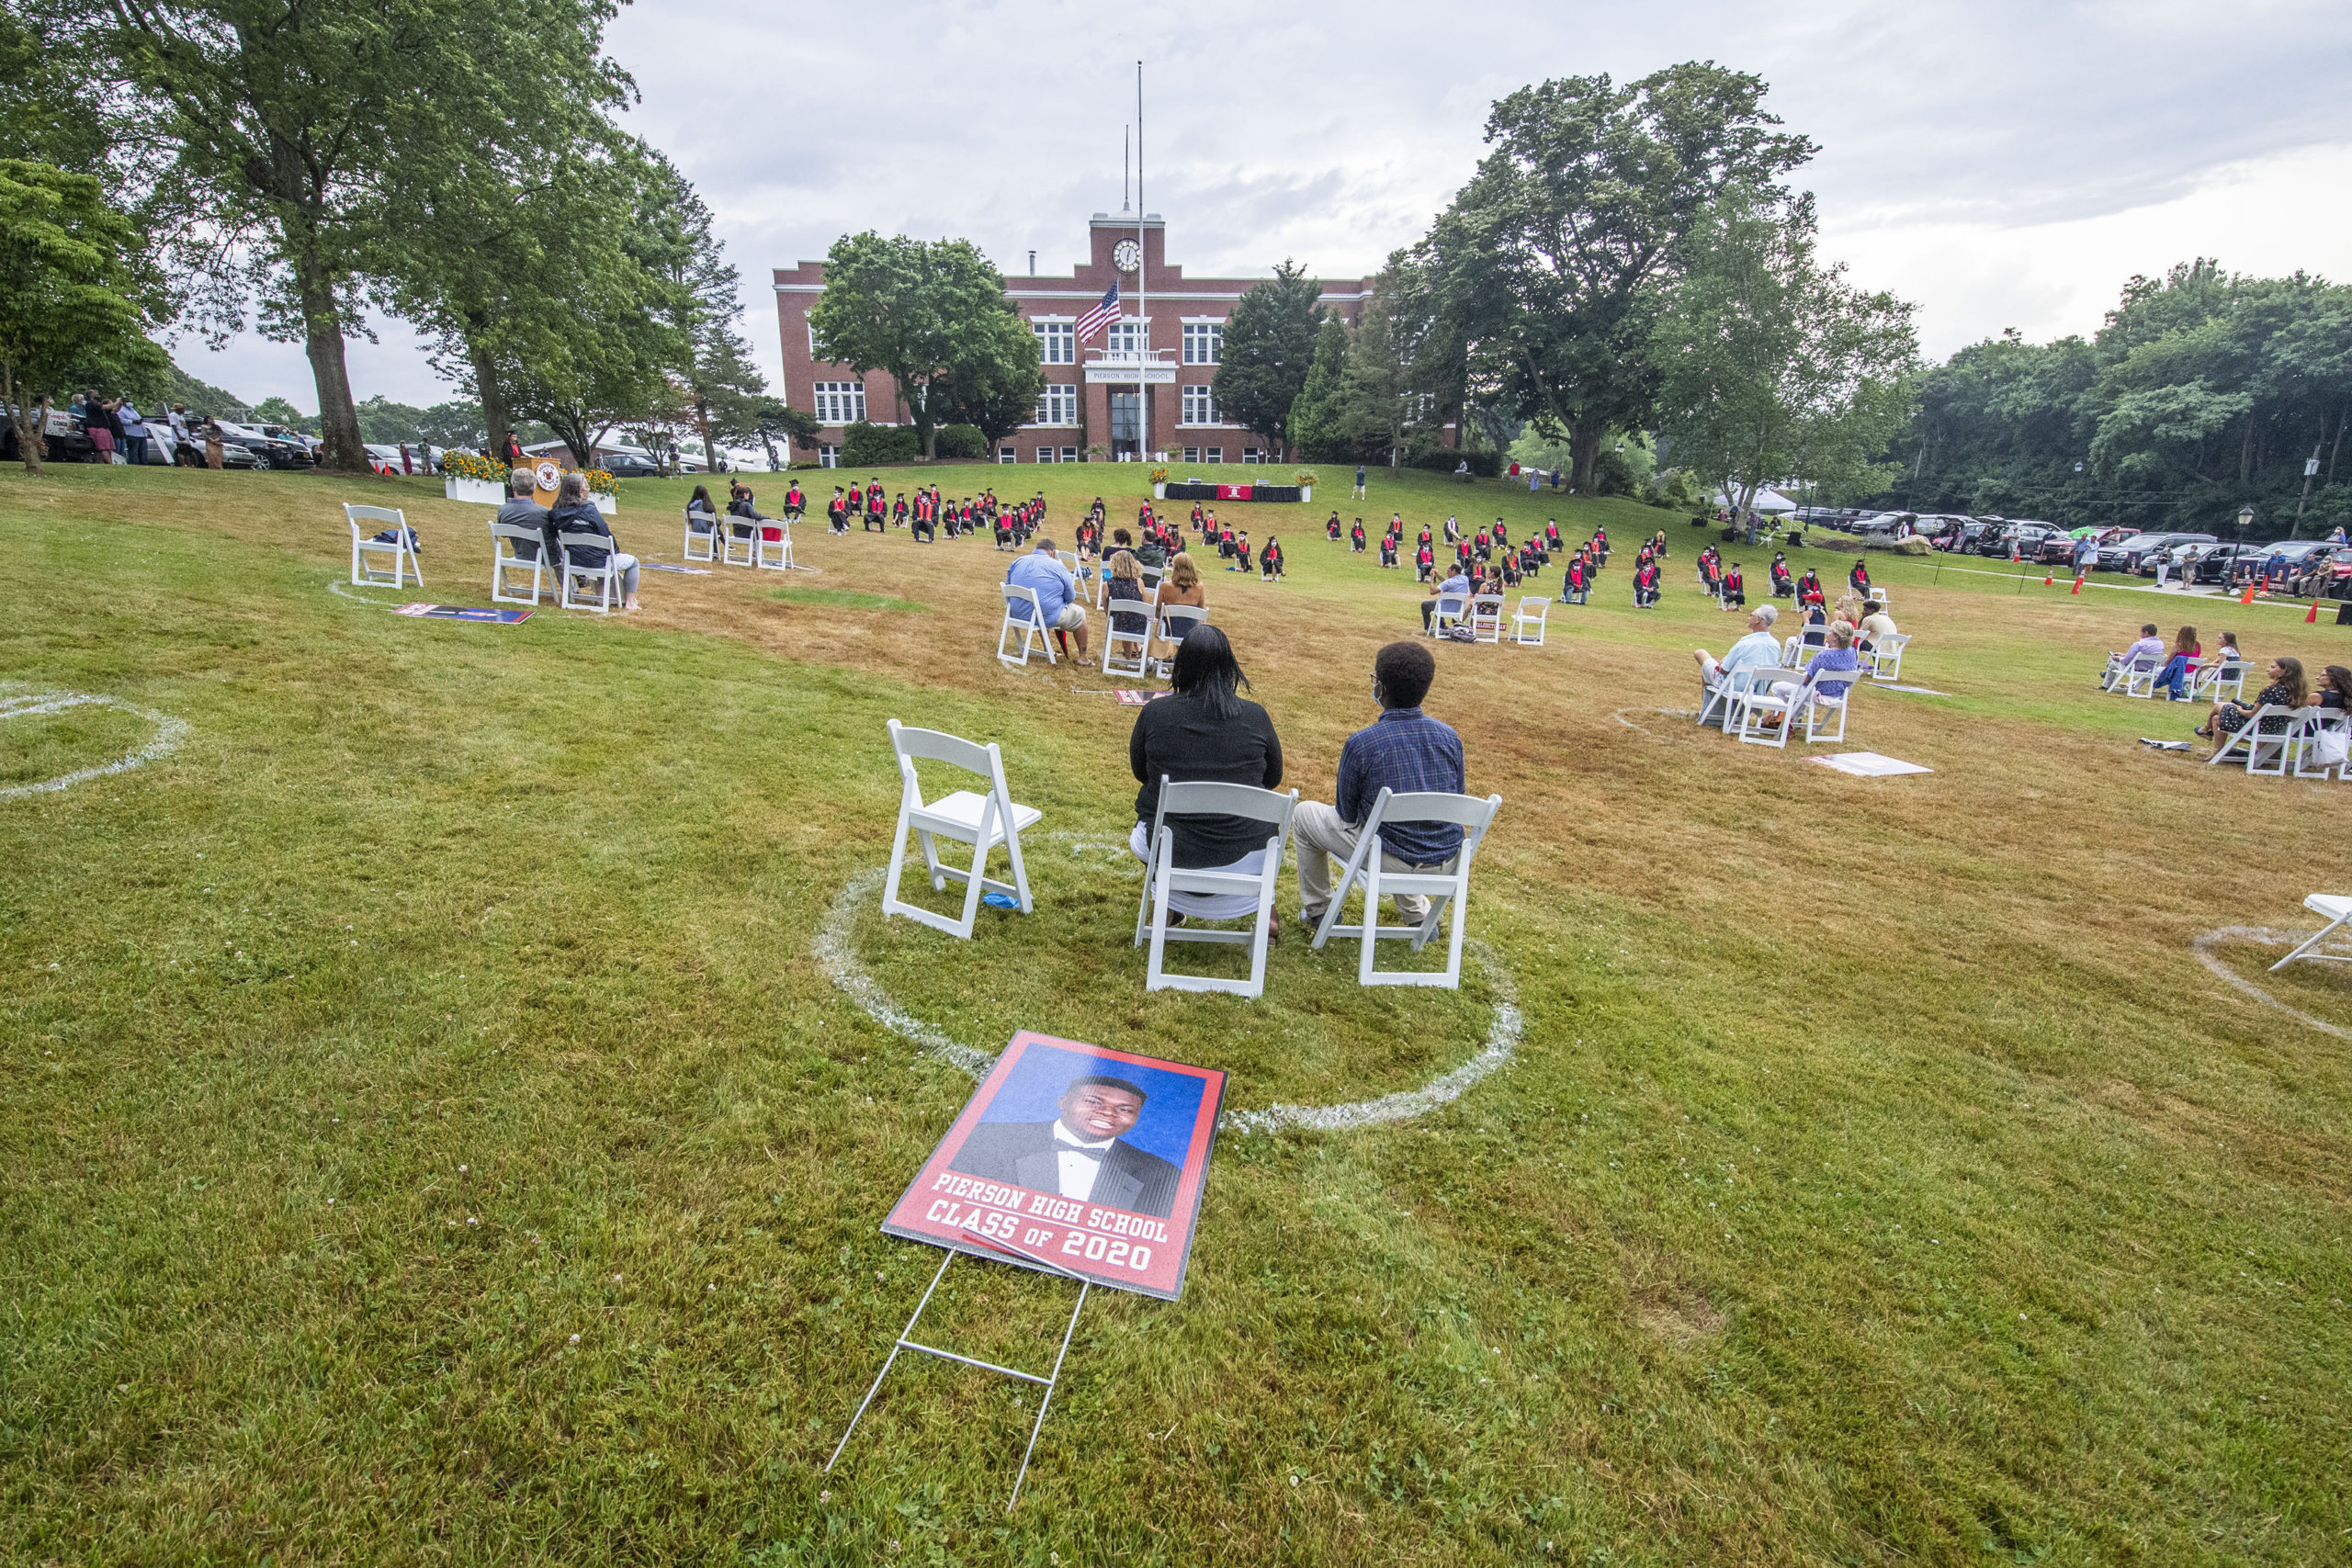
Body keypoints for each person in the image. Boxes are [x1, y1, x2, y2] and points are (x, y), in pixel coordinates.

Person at [1295, 641, 1465, 930]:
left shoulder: (1363, 743)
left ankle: (1321, 910)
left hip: (1388, 857)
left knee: (1304, 815)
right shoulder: (1450, 738)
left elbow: (1346, 814)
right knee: (1402, 827)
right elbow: (1454, 801)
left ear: (1381, 688)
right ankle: (1418, 915)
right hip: (1447, 860)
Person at [1127, 625, 1284, 939]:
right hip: (1247, 852)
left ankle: (1167, 906)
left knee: (1145, 831)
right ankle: (1265, 907)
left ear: (1181, 666)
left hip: (1173, 848)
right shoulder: (1255, 716)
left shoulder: (1155, 713)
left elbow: (1141, 773)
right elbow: (1273, 778)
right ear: (1229, 666)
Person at [947, 1073, 1180, 1218]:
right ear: (1063, 1102)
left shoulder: (1162, 1174)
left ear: (1136, 1118)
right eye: (1092, 1101)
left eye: (1124, 1109)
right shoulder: (990, 1138)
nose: (1108, 1112)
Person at [548, 471, 639, 610]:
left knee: (602, 555)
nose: (589, 488)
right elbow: (604, 533)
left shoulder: (556, 513)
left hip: (573, 561)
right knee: (633, 562)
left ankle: (601, 598)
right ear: (580, 491)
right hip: (597, 561)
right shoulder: (589, 509)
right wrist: (615, 552)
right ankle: (630, 601)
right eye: (586, 486)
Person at [1006, 536, 1088, 660]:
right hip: (1041, 615)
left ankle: (1047, 648)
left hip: (1016, 613)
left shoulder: (1018, 561)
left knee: (1041, 605)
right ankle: (1083, 658)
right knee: (1080, 614)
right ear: (1052, 552)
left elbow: (1008, 587)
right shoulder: (1057, 565)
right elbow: (1070, 596)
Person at [2199, 656, 2306, 749]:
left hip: (2256, 728)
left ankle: (2205, 730)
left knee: (2220, 706)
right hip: (2277, 729)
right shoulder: (2298, 693)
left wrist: (2239, 710)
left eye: (2273, 667)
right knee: (2217, 718)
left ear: (2284, 672)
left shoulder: (2272, 691)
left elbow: (2252, 714)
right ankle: (2214, 746)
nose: (2267, 669)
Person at [1693, 605, 1782, 696]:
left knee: (1700, 653)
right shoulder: (1776, 645)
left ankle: (1707, 708)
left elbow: (1723, 670)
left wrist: (1722, 664)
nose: (1748, 618)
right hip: (1756, 690)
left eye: (1751, 615)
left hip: (1731, 687)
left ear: (1758, 620)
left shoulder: (1746, 643)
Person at [500, 468, 557, 564]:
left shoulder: (503, 510)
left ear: (514, 488)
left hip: (521, 555)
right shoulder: (544, 513)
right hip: (545, 558)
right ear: (534, 489)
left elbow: (504, 534)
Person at [2105, 623, 2165, 690]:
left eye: (2142, 633)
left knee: (2111, 660)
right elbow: (2142, 656)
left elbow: (2126, 661)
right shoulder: (2160, 644)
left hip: (2134, 668)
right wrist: (2123, 655)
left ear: (2146, 633)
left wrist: (2118, 658)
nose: (2141, 635)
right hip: (2150, 669)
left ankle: (2106, 685)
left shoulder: (2139, 644)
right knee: (2114, 661)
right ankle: (2106, 674)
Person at [2155, 626, 2201, 701]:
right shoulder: (2197, 646)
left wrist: (2162, 664)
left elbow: (2169, 660)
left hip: (2177, 672)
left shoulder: (2179, 646)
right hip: (2190, 673)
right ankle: (2136, 684)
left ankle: (2136, 685)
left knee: (2153, 671)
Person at [1422, 564, 1472, 633]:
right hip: (1457, 608)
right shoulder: (1465, 579)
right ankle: (1443, 626)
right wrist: (1438, 575)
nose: (1447, 572)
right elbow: (1447, 582)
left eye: (1448, 571)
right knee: (1435, 604)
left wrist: (1432, 578)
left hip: (1444, 607)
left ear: (1454, 571)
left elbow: (1432, 591)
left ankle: (1429, 628)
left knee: (1425, 605)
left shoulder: (1449, 582)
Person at [684, 483, 721, 555]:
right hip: (705, 530)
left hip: (695, 529)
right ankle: (719, 549)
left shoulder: (690, 505)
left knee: (716, 527)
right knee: (716, 527)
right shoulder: (706, 505)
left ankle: (725, 544)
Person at [117, 398, 149, 467]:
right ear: (122, 402)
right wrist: (133, 421)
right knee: (133, 451)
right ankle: (134, 464)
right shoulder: (120, 410)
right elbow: (121, 420)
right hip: (132, 433)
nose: (129, 403)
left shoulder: (132, 409)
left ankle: (143, 464)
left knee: (143, 451)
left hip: (141, 434)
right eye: (126, 401)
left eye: (129, 401)